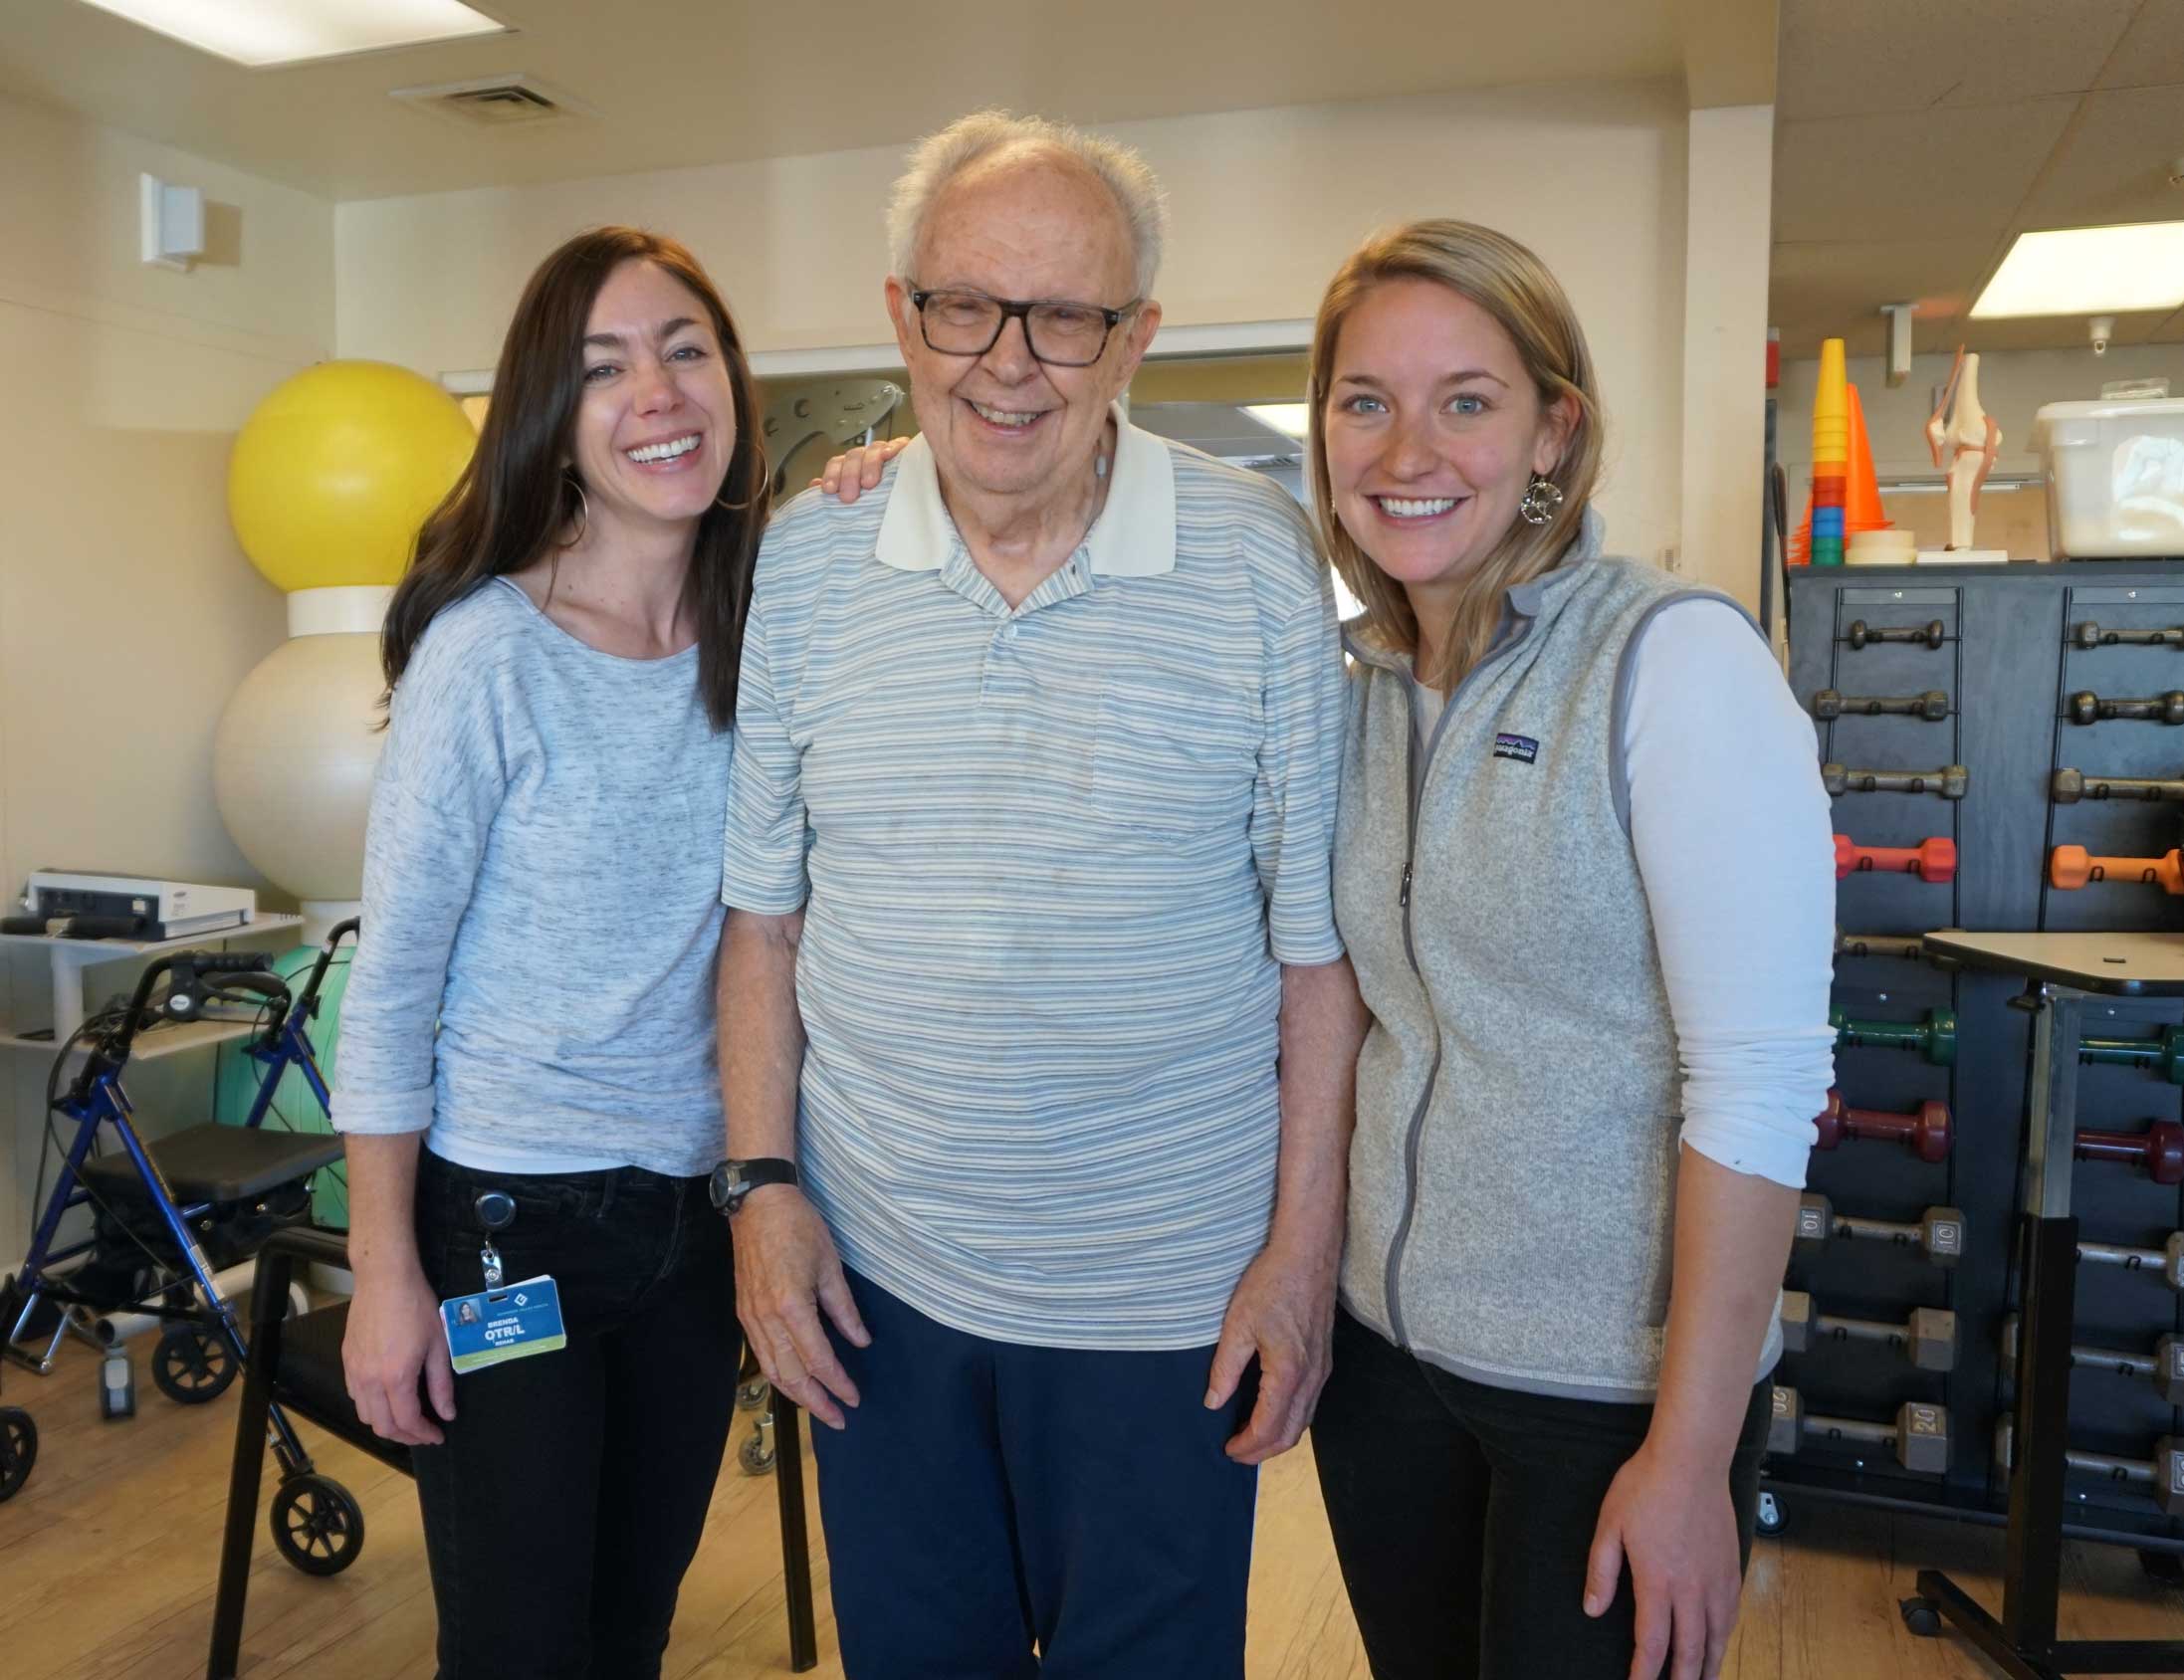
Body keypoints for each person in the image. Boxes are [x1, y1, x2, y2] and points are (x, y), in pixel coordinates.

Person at [716, 111, 1362, 1679]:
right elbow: (763, 925)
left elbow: (1316, 966)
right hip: (879, 1288)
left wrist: (1299, 1255)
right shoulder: (808, 562)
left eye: (1066, 316)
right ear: (900, 316)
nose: (1009, 361)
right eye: (965, 305)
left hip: (1169, 1297)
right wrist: (760, 1191)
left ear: (1133, 339)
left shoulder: (1260, 559)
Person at [1304, 220, 1834, 1680]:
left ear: (1555, 428)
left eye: (1465, 400)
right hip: (1387, 1369)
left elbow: (1759, 1085)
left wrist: (1689, 1451)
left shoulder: (1671, 661)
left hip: (1606, 1401)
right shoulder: (1353, 686)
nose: (1407, 446)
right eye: (1364, 401)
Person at [334, 226, 768, 1680]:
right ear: (555, 425)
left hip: (699, 1225)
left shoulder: (770, 627)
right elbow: (390, 984)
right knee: (521, 1646)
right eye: (603, 369)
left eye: (684, 349)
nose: (655, 393)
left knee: (630, 1634)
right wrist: (384, 1272)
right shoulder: (490, 653)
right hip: (512, 1226)